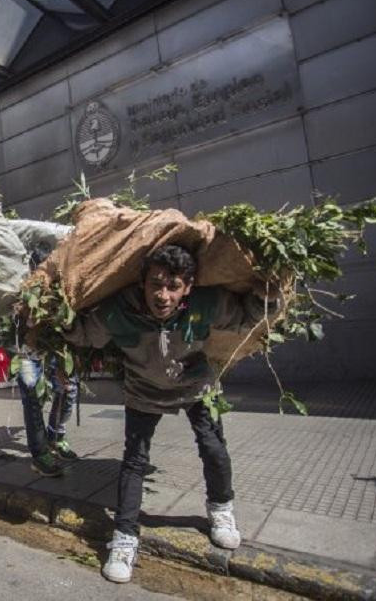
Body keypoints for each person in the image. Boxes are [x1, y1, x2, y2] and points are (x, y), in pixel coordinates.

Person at [64, 244, 277, 583]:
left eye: (173, 286)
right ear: (142, 283)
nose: (163, 295)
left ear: (188, 288)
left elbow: (244, 317)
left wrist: (268, 296)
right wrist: (51, 317)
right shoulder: (118, 312)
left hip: (196, 386)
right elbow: (86, 334)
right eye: (156, 284)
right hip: (143, 390)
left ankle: (221, 510)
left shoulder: (207, 304)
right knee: (134, 460)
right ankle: (124, 537)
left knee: (213, 446)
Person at [15, 243, 79, 477]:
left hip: (54, 352)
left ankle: (56, 435)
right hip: (27, 356)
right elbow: (19, 325)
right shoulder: (22, 291)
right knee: (32, 398)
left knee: (68, 390)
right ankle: (40, 453)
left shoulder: (60, 290)